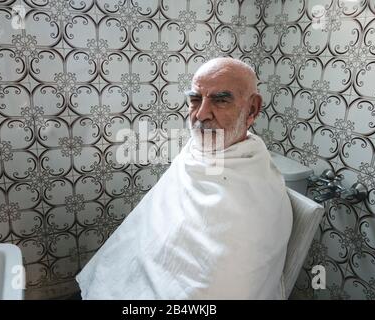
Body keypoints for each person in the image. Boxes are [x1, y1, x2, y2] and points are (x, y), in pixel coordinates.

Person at [76, 57, 293, 299]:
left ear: (252, 109)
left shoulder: (257, 188)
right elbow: (157, 226)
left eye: (221, 100)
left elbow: (218, 283)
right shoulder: (194, 151)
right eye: (195, 99)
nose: (201, 114)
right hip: (144, 272)